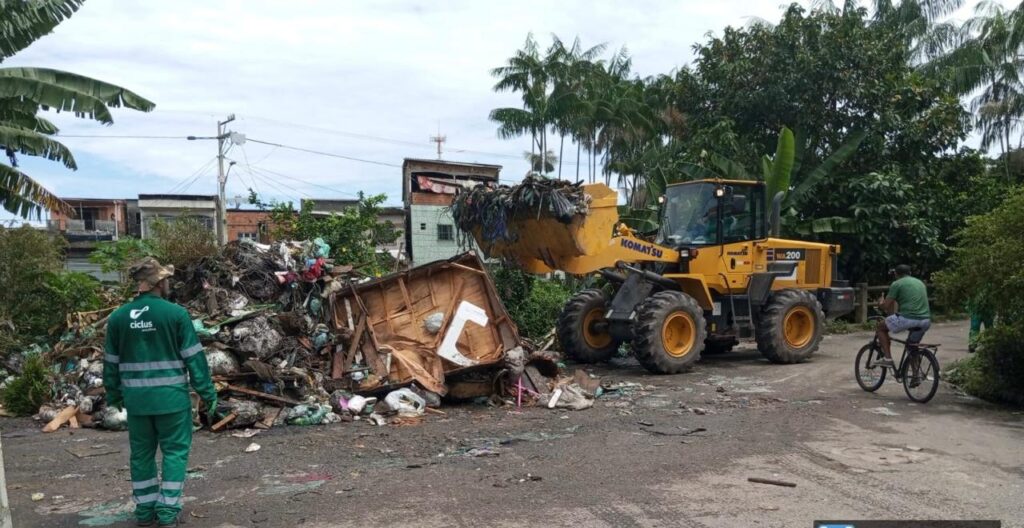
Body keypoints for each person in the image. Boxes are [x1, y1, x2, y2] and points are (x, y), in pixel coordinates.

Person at [103, 258, 218, 527]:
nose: (168, 283)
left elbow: (110, 362)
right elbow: (194, 359)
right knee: (175, 453)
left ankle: (144, 511)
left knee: (141, 455)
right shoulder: (175, 314)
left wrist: (114, 394)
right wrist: (208, 393)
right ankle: (167, 512)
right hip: (172, 400)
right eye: (165, 279)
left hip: (137, 403)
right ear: (159, 282)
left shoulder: (119, 317)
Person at [875, 264, 931, 368]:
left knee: (880, 328)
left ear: (896, 274)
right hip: (925, 320)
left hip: (909, 319)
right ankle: (916, 376)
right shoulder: (920, 283)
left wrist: (880, 302)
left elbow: (886, 306)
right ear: (910, 273)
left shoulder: (897, 284)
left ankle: (887, 358)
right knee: (912, 347)